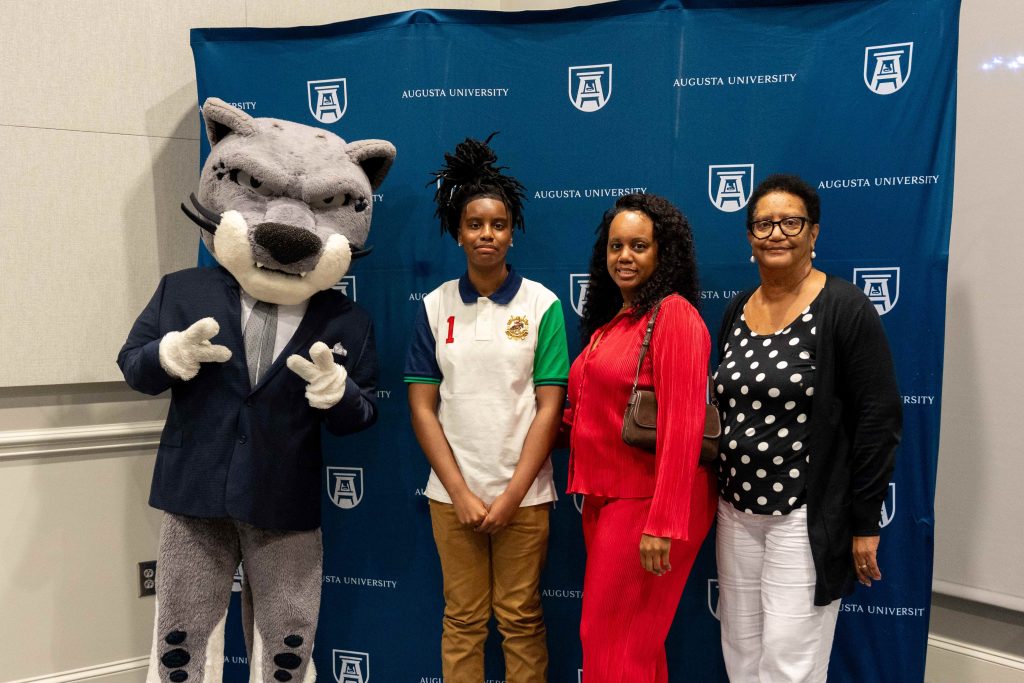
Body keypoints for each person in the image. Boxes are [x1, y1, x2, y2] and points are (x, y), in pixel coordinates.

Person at [713, 173, 902, 682]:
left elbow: (878, 420)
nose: (776, 233)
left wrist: (865, 522)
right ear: (750, 236)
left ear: (813, 232)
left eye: (791, 222)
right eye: (764, 224)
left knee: (789, 663)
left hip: (803, 517)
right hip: (735, 513)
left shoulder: (844, 307)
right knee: (741, 653)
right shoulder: (736, 310)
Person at [404, 135, 570, 683]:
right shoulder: (435, 307)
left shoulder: (542, 304)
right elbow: (422, 409)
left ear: (512, 231)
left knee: (520, 620)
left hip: (525, 497)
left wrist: (513, 493)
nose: (487, 234)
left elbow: (549, 408)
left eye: (498, 224)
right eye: (475, 224)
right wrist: (459, 492)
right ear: (458, 232)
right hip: (452, 498)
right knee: (463, 619)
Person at [563, 193, 716, 681]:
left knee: (611, 646)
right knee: (633, 647)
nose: (624, 257)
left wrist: (663, 523)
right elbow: (587, 414)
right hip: (606, 499)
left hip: (648, 503)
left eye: (638, 246)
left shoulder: (674, 315)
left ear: (663, 252)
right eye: (615, 246)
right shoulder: (615, 324)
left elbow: (684, 426)